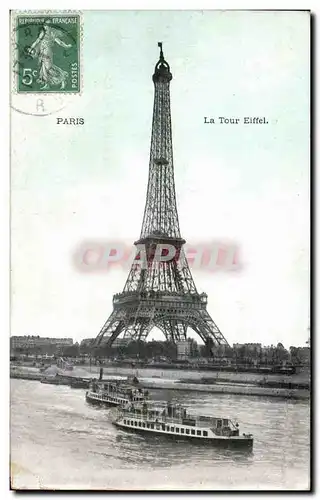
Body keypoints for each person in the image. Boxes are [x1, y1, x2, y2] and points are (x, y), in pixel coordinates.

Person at [26, 19, 72, 90]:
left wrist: (66, 46)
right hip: (41, 52)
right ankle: (46, 84)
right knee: (43, 68)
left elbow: (59, 42)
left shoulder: (52, 34)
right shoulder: (42, 33)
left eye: (50, 25)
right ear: (44, 26)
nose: (48, 26)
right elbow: (37, 41)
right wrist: (31, 48)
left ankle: (62, 78)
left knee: (48, 68)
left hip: (47, 52)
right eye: (46, 25)